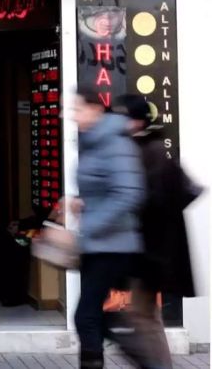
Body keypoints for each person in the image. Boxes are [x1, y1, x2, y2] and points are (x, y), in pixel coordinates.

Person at [112, 94, 200, 369]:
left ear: (136, 121)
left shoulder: (148, 152)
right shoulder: (149, 149)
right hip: (153, 253)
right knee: (146, 317)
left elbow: (152, 204)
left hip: (152, 254)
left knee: (141, 318)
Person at [72, 87, 145, 369]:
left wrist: (90, 222)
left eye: (77, 109)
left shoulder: (114, 142)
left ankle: (147, 359)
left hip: (114, 244)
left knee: (86, 317)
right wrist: (80, 202)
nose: (72, 115)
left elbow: (128, 193)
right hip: (98, 243)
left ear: (95, 109)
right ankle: (143, 356)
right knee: (96, 318)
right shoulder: (94, 142)